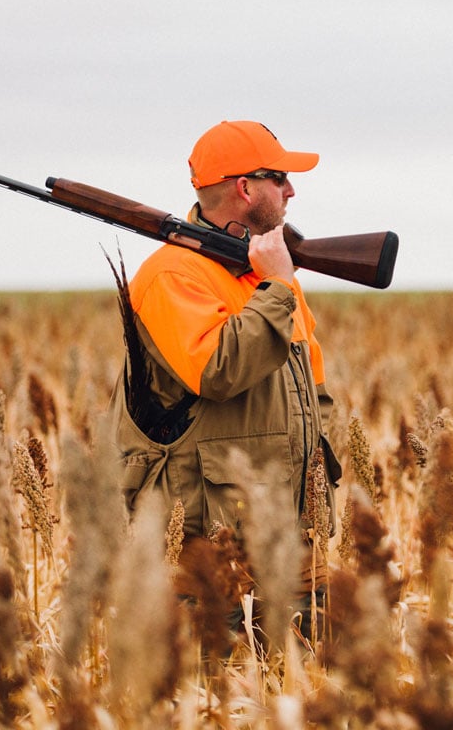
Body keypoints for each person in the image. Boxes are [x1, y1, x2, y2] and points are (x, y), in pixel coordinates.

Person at [106, 120, 338, 616]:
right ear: (245, 187)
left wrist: (315, 482)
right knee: (213, 682)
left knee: (310, 675)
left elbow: (312, 383)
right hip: (211, 537)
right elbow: (217, 369)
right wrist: (276, 288)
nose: (291, 190)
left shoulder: (268, 271)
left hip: (292, 529)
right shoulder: (172, 274)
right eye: (280, 178)